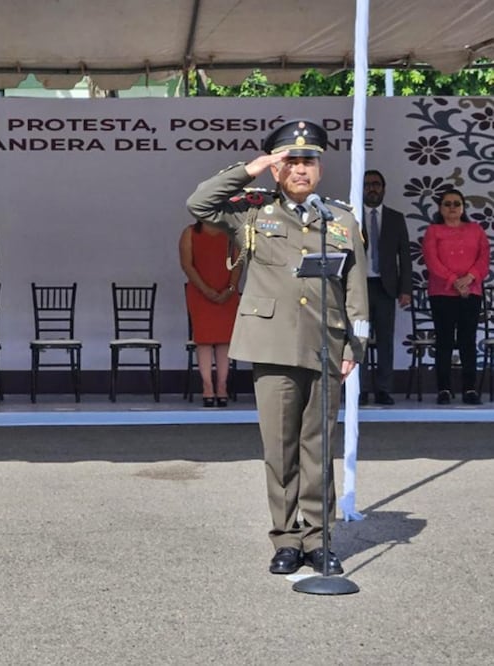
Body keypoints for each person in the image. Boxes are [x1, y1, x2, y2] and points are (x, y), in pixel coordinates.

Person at [187, 119, 369, 577]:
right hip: (271, 344)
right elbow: (199, 203)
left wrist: (355, 344)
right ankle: (286, 539)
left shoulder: (342, 218)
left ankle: (319, 539)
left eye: (308, 161)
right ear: (277, 168)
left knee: (317, 447)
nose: (300, 169)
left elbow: (355, 289)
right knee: (280, 447)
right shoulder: (253, 211)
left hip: (325, 344)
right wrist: (252, 169)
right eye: (290, 161)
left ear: (320, 168)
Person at [421, 188, 489, 406]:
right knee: (445, 341)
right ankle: (444, 389)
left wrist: (469, 279)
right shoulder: (433, 231)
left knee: (468, 340)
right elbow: (432, 261)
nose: (452, 208)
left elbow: (484, 259)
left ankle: (470, 389)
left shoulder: (476, 229)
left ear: (463, 207)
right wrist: (454, 281)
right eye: (447, 204)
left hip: (471, 292)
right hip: (442, 292)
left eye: (456, 204)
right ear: (440, 208)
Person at [360, 169, 412, 405]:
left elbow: (405, 257)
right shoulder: (351, 217)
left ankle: (383, 389)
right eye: (368, 184)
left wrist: (406, 289)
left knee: (385, 341)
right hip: (358, 288)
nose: (372, 188)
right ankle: (357, 389)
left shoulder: (395, 218)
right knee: (357, 340)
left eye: (376, 184)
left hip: (386, 287)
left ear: (383, 189)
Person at [179, 218, 241, 407]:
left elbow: (239, 263)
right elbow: (187, 265)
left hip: (227, 292)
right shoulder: (190, 232)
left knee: (224, 341)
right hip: (199, 293)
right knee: (204, 340)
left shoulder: (232, 234)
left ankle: (222, 387)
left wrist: (230, 289)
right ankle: (207, 387)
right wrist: (206, 290)